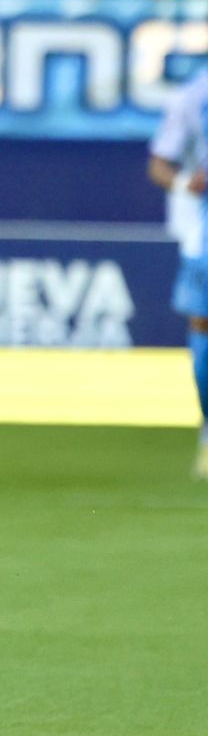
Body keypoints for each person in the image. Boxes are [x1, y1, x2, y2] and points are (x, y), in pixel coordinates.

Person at [148, 69, 208, 478]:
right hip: (205, 235)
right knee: (203, 329)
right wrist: (188, 182)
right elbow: (160, 164)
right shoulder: (195, 94)